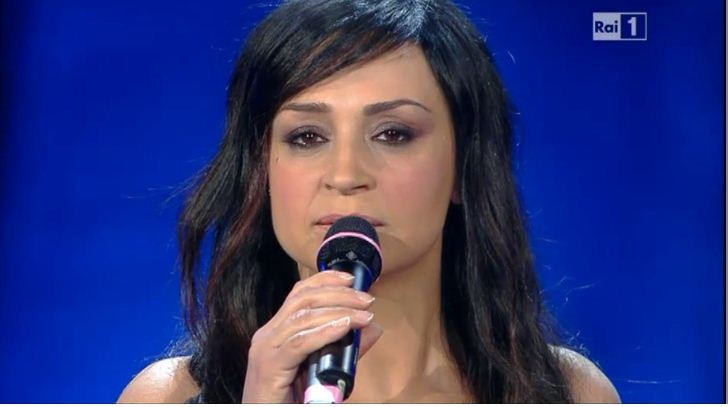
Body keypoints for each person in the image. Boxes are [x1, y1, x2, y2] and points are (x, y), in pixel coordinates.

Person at [118, 0, 620, 403]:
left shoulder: (569, 394)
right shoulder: (168, 398)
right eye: (308, 137)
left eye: (393, 133)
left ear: (463, 168)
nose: (345, 175)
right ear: (260, 168)